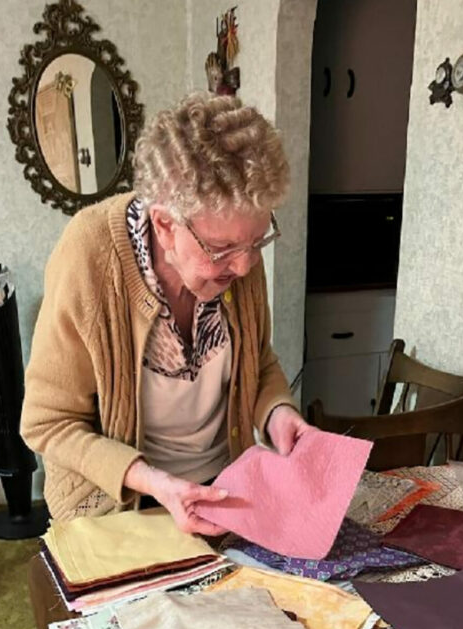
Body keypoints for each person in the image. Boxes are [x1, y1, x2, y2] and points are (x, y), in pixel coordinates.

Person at [21, 92, 310, 534]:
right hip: (117, 509)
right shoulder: (88, 254)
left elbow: (259, 362)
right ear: (164, 224)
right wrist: (154, 481)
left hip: (220, 493)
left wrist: (277, 413)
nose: (245, 266)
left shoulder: (238, 255)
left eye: (257, 241)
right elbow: (48, 423)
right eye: (222, 248)